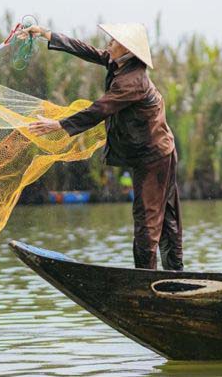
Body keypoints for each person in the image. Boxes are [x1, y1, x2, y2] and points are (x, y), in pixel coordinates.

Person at [20, 23, 182, 270]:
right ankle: (173, 274)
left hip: (153, 156)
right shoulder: (120, 63)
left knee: (149, 220)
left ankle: (145, 280)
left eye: (114, 41)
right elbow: (87, 50)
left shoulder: (133, 81)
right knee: (163, 216)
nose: (109, 44)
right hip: (156, 151)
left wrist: (60, 125)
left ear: (127, 49)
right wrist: (47, 34)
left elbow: (99, 109)